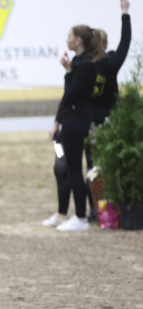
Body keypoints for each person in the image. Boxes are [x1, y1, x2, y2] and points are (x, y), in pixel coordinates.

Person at [49, 0, 131, 223]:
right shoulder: (84, 64)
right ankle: (70, 212)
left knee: (82, 168)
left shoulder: (93, 65)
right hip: (85, 123)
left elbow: (69, 94)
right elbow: (67, 97)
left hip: (88, 125)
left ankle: (88, 212)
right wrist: (125, 14)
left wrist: (125, 14)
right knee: (79, 166)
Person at [42, 24, 105, 232]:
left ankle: (81, 216)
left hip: (77, 124)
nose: (67, 39)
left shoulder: (86, 65)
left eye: (70, 36)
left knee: (74, 170)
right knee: (60, 167)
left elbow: (71, 94)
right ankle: (61, 213)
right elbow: (66, 99)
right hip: (66, 125)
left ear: (78, 40)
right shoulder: (77, 62)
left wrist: (68, 72)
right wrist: (56, 122)